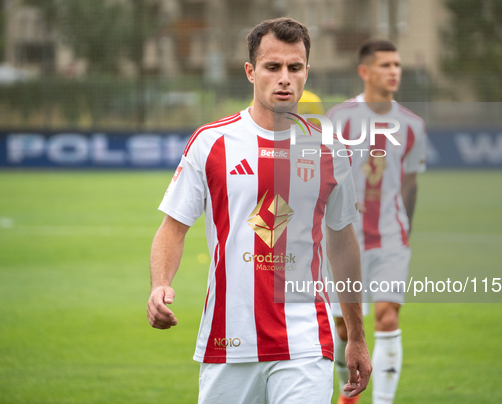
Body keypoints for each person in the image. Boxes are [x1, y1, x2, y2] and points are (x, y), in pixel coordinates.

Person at [146, 17, 371, 404]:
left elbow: (343, 244)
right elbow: (173, 228)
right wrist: (159, 284)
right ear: (251, 72)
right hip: (229, 341)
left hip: (305, 343)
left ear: (306, 72)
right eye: (272, 67)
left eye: (294, 67)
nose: (284, 78)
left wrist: (355, 336)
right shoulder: (211, 142)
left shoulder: (331, 150)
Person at [327, 39, 427, 404]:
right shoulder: (338, 119)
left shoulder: (413, 125)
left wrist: (407, 232)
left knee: (387, 318)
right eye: (385, 65)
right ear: (365, 71)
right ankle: (348, 394)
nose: (394, 71)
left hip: (390, 237)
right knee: (343, 327)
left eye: (397, 65)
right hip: (342, 241)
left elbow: (411, 181)